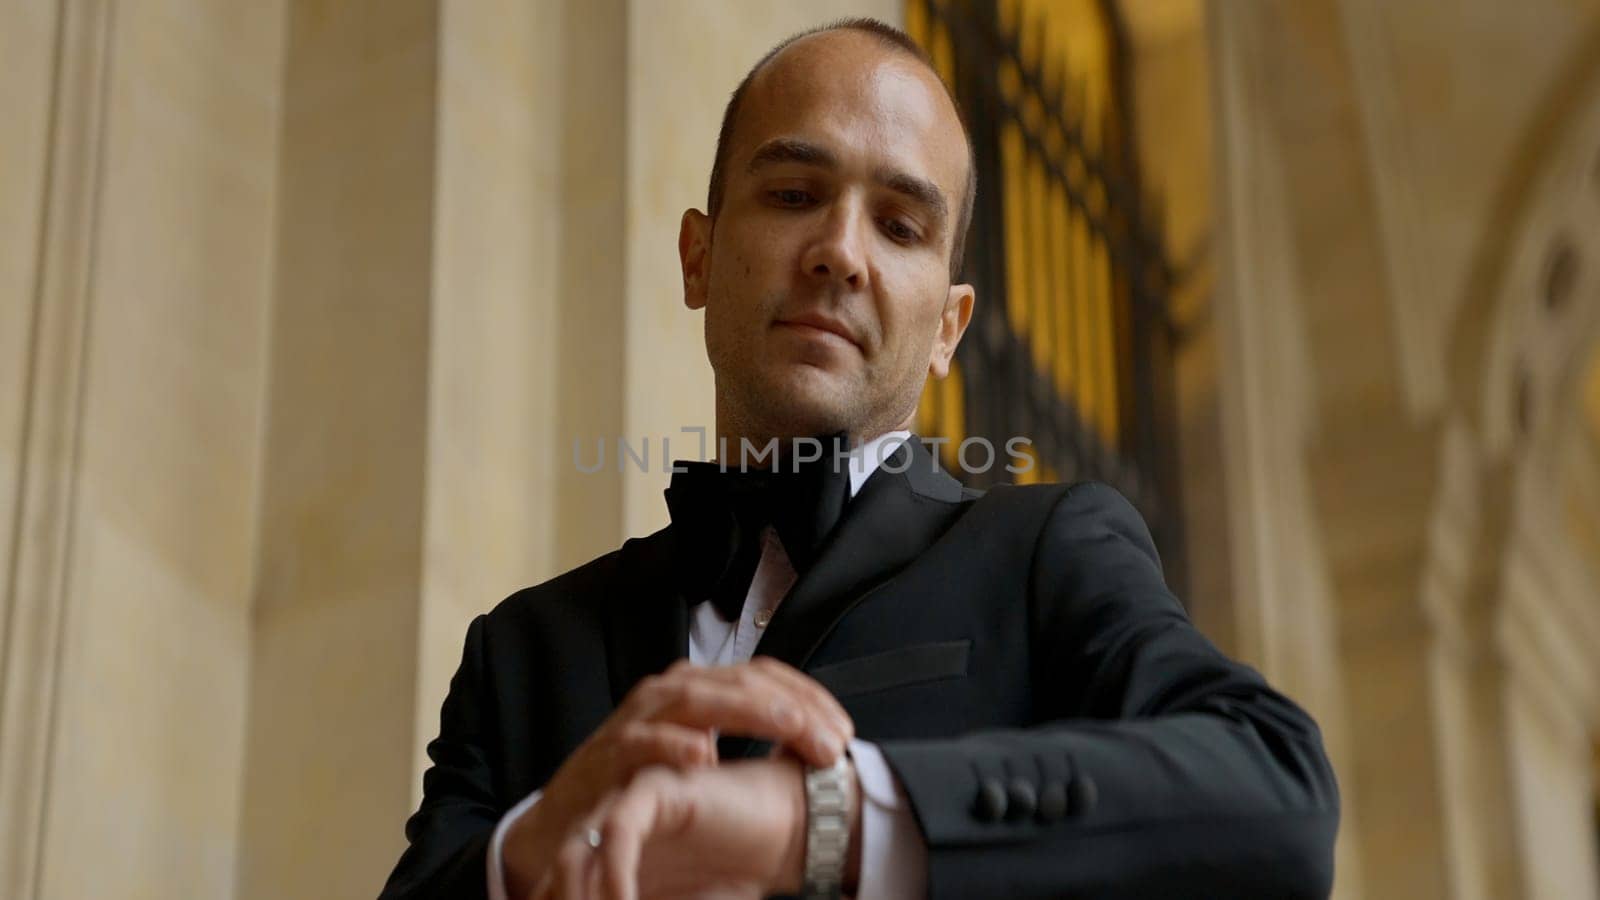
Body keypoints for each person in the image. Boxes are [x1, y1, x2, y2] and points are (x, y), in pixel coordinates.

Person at [379, 17, 1338, 900]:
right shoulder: (519, 649)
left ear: (948, 330)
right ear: (698, 259)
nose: (840, 250)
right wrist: (530, 850)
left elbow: (1277, 791)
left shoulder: (1049, 551)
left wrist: (826, 818)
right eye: (795, 194)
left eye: (901, 225)